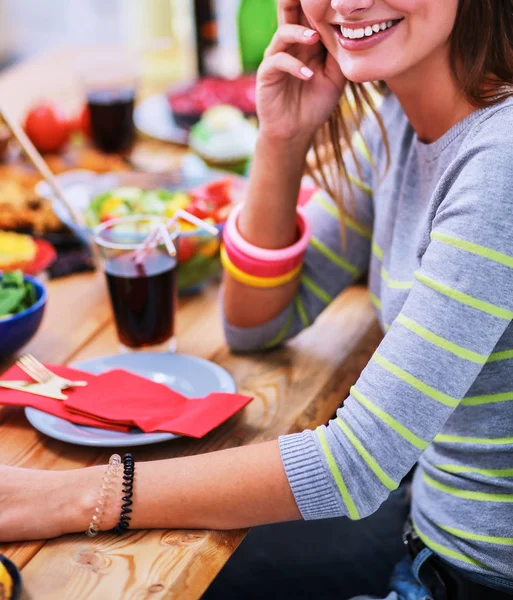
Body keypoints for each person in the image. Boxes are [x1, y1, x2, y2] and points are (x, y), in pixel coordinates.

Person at [2, 0, 513, 598]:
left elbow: (356, 464)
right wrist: (282, 135)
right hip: (422, 528)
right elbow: (257, 321)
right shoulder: (400, 121)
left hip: (473, 575)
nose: (347, 3)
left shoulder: (498, 161)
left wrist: (63, 497)